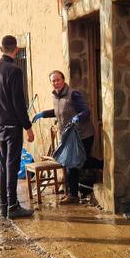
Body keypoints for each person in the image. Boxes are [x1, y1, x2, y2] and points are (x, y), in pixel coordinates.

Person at [0, 35, 35, 219]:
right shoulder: (15, 71)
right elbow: (19, 102)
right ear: (16, 50)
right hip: (13, 126)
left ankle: (4, 205)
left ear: (1, 49)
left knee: (6, 164)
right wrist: (28, 127)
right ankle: (13, 206)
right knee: (12, 165)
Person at [32, 70, 95, 205]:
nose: (56, 83)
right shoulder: (55, 96)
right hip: (69, 136)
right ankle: (72, 194)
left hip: (82, 134)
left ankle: (73, 194)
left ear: (63, 80)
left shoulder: (73, 94)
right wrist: (43, 114)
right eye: (53, 81)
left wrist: (78, 117)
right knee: (72, 163)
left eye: (58, 80)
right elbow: (58, 112)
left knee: (76, 163)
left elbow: (86, 111)